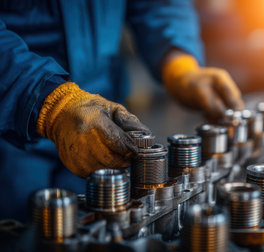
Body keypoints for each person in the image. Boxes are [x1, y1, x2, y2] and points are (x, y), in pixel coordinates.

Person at [0, 0, 244, 221]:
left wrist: (179, 61)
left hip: (101, 120)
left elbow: (158, 4)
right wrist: (49, 100)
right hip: (10, 127)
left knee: (97, 223)